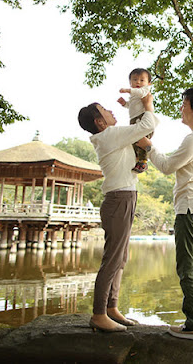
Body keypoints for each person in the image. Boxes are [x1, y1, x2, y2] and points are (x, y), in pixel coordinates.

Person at [142, 86, 193, 341]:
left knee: (188, 268)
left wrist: (148, 146)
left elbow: (166, 166)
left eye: (184, 104)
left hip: (191, 210)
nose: (181, 108)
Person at [77, 94, 158, 333]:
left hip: (125, 197)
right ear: (100, 122)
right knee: (112, 259)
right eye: (105, 110)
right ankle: (99, 313)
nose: (111, 112)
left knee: (120, 258)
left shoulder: (111, 137)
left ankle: (112, 308)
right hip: (119, 199)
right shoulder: (110, 135)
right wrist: (148, 105)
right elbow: (147, 125)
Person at [117, 68, 153, 173]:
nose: (138, 82)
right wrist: (124, 103)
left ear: (148, 84)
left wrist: (128, 90)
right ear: (130, 82)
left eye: (142, 80)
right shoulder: (133, 96)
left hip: (143, 118)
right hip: (133, 119)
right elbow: (131, 106)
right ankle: (136, 159)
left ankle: (144, 161)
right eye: (135, 79)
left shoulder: (144, 91)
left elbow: (140, 92)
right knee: (134, 141)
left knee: (142, 140)